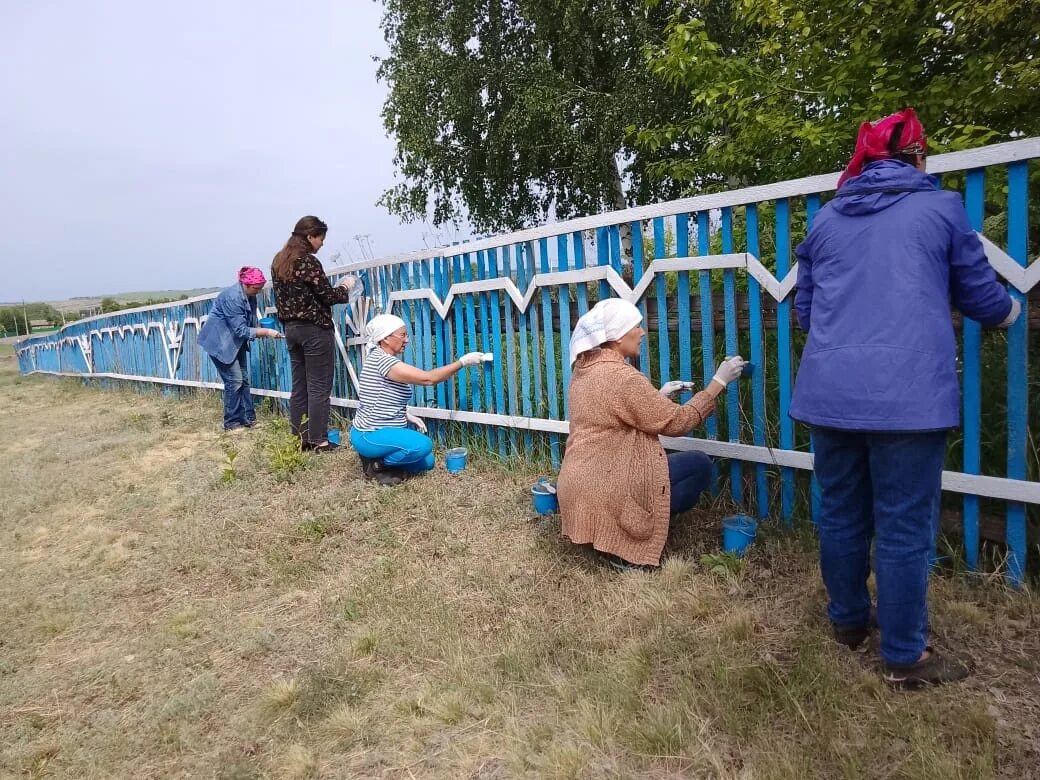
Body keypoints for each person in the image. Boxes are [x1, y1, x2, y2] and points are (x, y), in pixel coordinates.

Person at [789, 108, 1020, 688]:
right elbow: (980, 295)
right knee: (901, 526)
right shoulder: (940, 208)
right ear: (918, 156)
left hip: (830, 395)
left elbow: (805, 314)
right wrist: (1011, 311)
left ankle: (847, 622)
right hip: (907, 400)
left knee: (840, 512)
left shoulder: (827, 220)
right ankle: (904, 656)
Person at [556, 298, 747, 571]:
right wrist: (719, 382)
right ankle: (624, 541)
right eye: (636, 326)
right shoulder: (623, 377)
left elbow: (613, 413)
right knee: (699, 465)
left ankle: (601, 534)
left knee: (663, 468)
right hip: (608, 489)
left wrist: (658, 396)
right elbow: (678, 422)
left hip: (577, 486)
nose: (642, 332)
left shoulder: (584, 370)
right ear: (619, 336)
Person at [350, 313, 489, 486]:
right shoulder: (383, 361)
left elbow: (377, 395)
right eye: (403, 335)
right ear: (385, 338)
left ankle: (383, 461)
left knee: (427, 462)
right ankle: (376, 465)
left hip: (383, 430)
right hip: (369, 434)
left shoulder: (381, 359)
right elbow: (428, 379)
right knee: (422, 445)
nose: (407, 340)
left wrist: (406, 414)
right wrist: (462, 362)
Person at [271, 215, 359, 453]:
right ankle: (319, 440)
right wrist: (345, 287)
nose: (322, 243)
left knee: (300, 386)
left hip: (291, 329)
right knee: (319, 387)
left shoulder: (279, 261)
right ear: (310, 237)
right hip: (314, 330)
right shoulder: (308, 262)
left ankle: (299, 439)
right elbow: (328, 296)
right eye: (321, 238)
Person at [197, 266, 283, 431]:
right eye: (256, 288)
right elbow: (241, 330)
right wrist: (266, 332)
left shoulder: (249, 295)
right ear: (247, 284)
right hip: (220, 343)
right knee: (234, 381)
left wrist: (258, 328)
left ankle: (248, 419)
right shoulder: (232, 298)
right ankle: (232, 423)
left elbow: (247, 322)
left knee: (242, 379)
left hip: (235, 344)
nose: (258, 291)